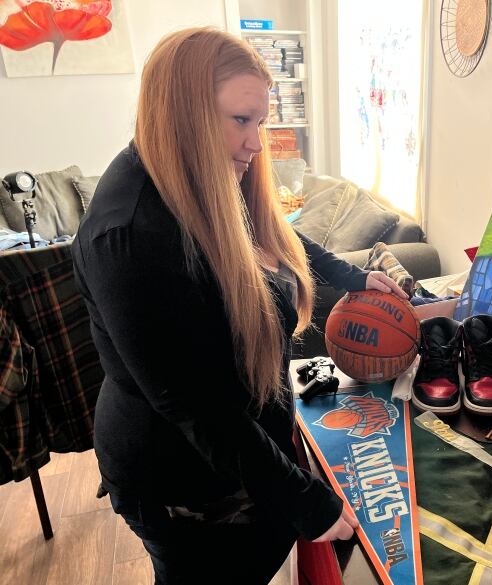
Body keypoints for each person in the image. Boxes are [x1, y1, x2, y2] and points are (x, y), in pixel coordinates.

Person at [72, 28, 407, 583]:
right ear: (186, 115)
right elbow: (200, 408)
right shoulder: (130, 236)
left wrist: (354, 277)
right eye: (242, 121)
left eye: (261, 120)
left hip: (239, 453)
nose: (258, 142)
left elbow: (271, 233)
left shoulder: (201, 172)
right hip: (181, 477)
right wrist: (311, 504)